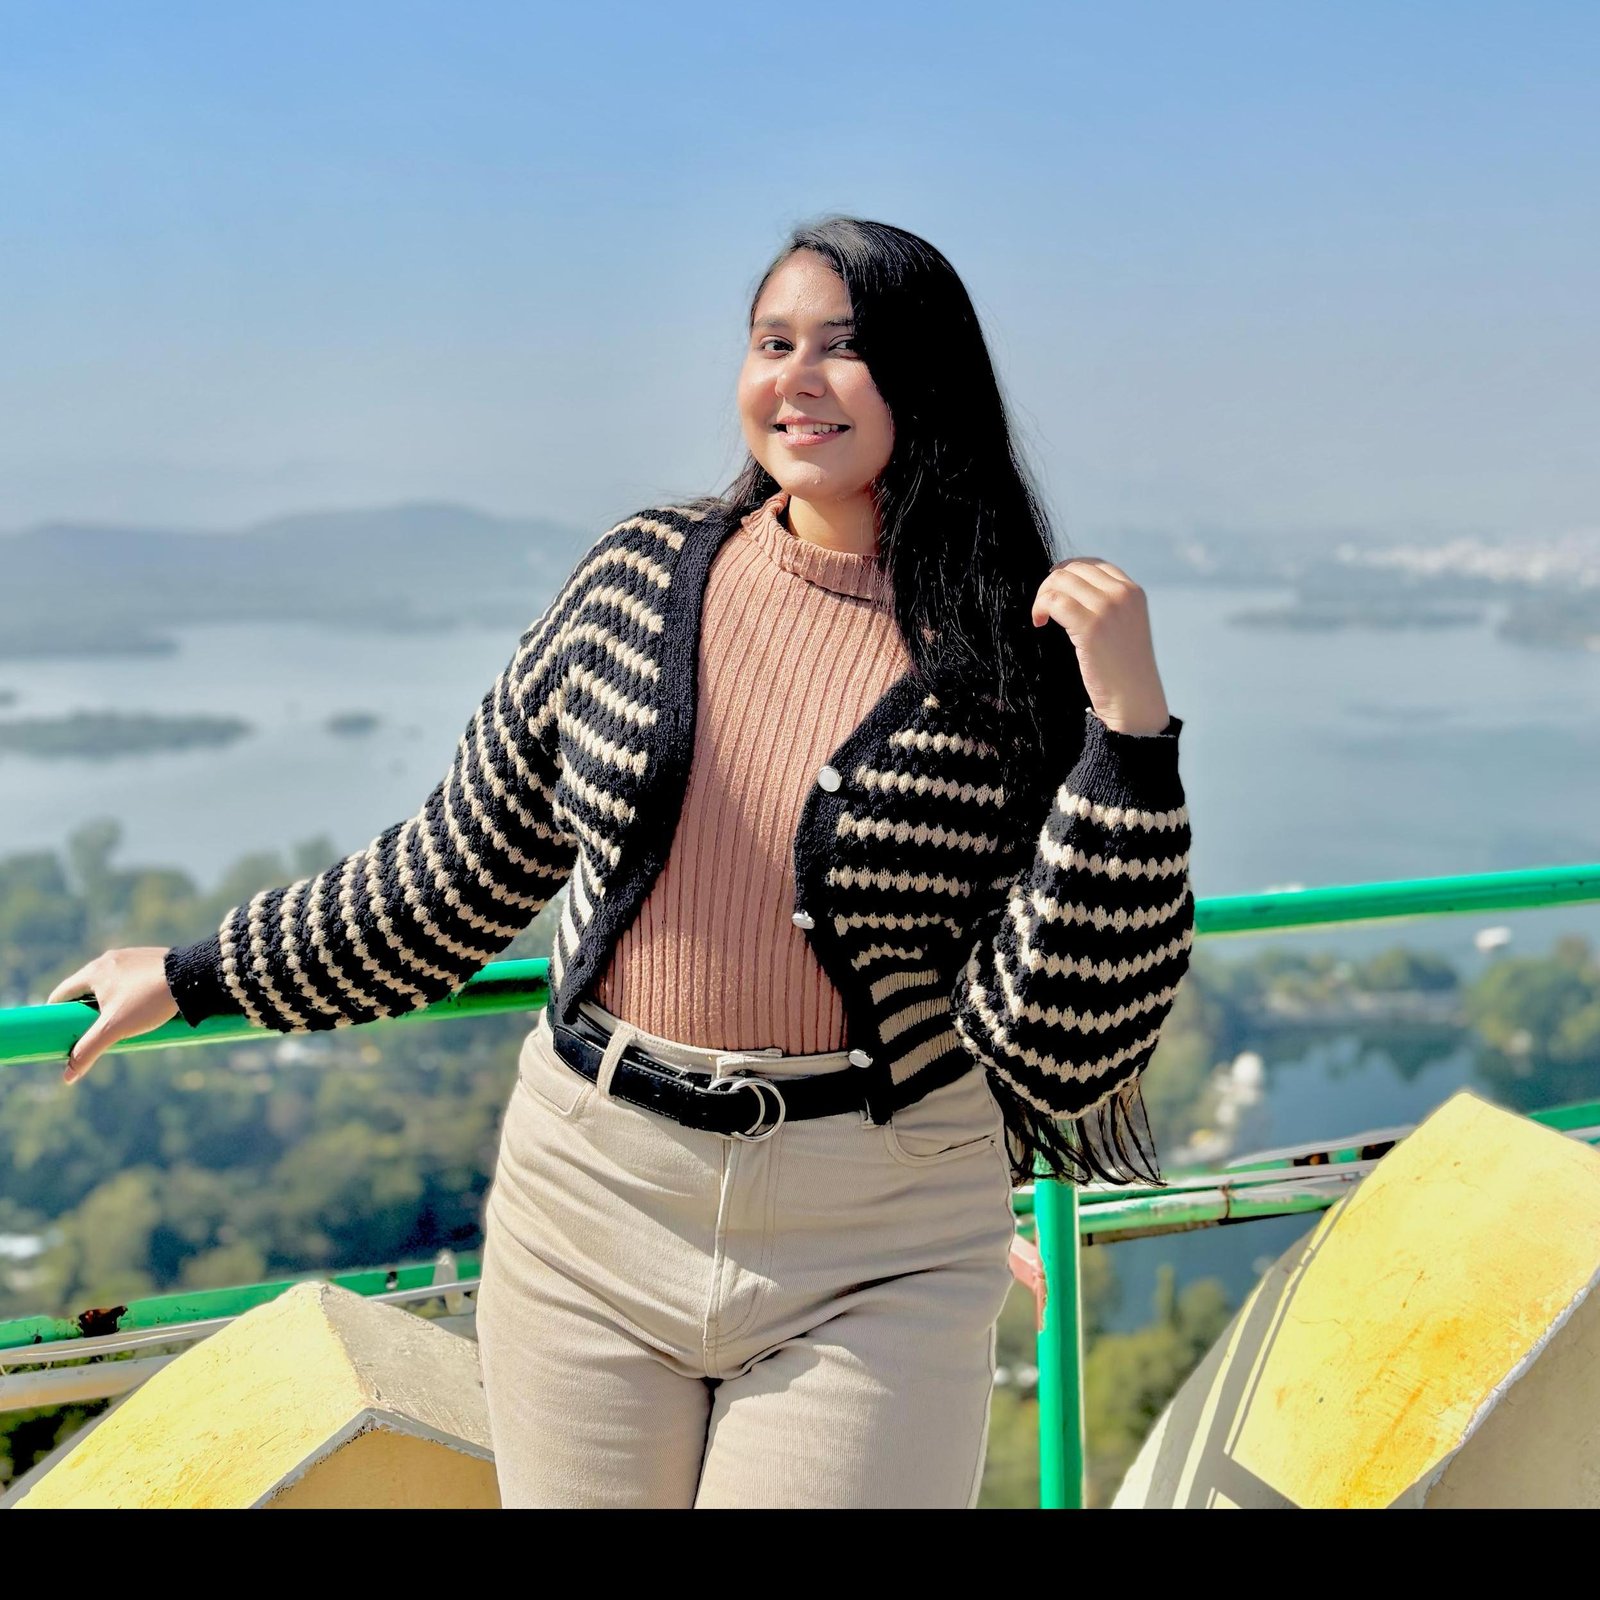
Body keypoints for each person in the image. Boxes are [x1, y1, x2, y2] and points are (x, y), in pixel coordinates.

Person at [47, 215, 1195, 1508]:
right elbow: (456, 872)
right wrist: (199, 973)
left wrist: (1130, 739)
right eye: (772, 343)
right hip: (590, 1205)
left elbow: (1058, 1051)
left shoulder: (1016, 646)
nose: (798, 379)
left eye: (844, 346)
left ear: (926, 376)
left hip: (878, 1240)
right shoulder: (639, 578)